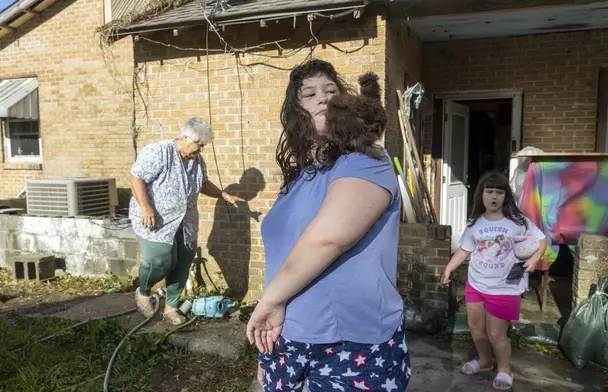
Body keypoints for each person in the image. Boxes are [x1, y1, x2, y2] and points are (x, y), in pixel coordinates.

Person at [245, 59, 410, 392]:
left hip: (351, 344)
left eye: (331, 91)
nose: (323, 98)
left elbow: (328, 238)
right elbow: (284, 258)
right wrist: (271, 355)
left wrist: (268, 303)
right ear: (296, 111)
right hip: (287, 334)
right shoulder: (297, 179)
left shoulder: (367, 162)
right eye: (309, 93)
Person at [129, 117, 242, 325]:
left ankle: (171, 308)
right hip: (156, 220)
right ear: (186, 138)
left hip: (186, 220)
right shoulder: (159, 152)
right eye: (200, 144)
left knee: (182, 262)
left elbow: (203, 183)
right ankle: (143, 291)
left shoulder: (197, 160)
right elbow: (136, 177)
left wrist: (222, 195)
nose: (202, 149)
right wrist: (145, 206)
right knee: (160, 261)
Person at [440, 171, 547, 391]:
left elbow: (542, 240)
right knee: (475, 328)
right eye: (490, 192)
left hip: (505, 287)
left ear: (505, 196)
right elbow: (464, 249)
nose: (494, 196)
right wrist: (449, 268)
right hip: (476, 284)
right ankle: (485, 361)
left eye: (499, 192)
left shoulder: (518, 221)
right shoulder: (475, 223)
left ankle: (505, 370)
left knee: (497, 333)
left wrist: (535, 260)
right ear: (482, 195)